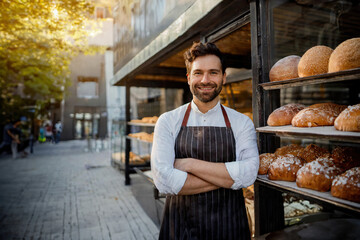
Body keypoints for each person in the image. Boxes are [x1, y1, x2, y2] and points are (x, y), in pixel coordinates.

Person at [151, 42, 259, 240]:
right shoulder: (168, 121)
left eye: (213, 73)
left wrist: (189, 164)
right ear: (189, 78)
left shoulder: (241, 122)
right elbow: (164, 181)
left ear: (224, 77)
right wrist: (228, 179)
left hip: (230, 228)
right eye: (198, 73)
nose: (205, 80)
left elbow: (249, 173)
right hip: (180, 228)